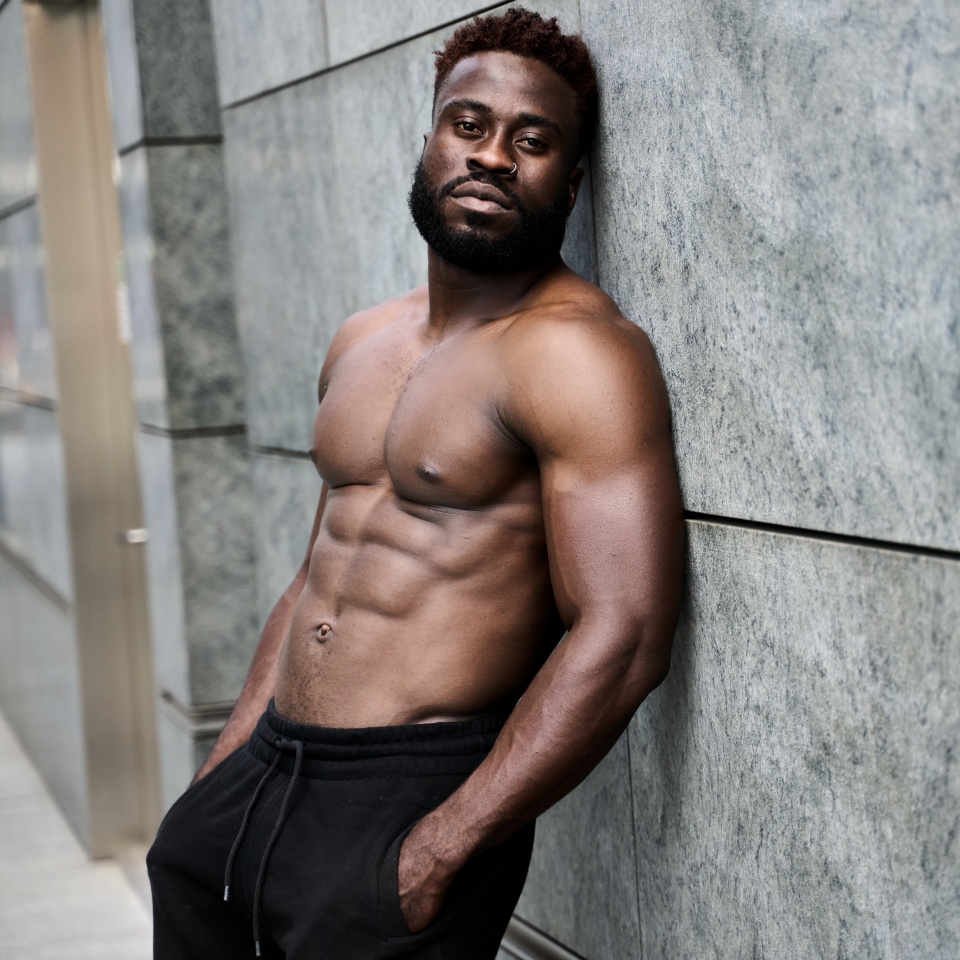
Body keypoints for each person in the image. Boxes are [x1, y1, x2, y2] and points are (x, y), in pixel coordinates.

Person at [147, 8, 684, 959]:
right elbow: (320, 568)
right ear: (431, 138)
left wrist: (443, 847)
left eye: (534, 141)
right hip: (262, 773)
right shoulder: (364, 340)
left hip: (405, 801)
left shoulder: (577, 356)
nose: (493, 157)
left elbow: (626, 634)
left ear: (572, 182)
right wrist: (222, 772)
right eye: (468, 125)